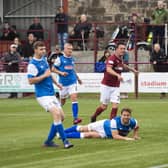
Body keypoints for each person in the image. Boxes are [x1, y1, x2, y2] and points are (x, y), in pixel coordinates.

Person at [27, 41, 73, 148]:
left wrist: (57, 84)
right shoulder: (32, 65)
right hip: (42, 95)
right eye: (41, 49)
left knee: (61, 117)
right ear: (35, 50)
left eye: (44, 49)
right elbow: (30, 81)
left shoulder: (43, 60)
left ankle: (48, 141)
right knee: (56, 114)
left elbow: (49, 74)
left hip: (51, 93)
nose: (43, 51)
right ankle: (65, 141)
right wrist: (44, 75)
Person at [90, 42, 138, 122]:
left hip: (115, 86)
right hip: (106, 86)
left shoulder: (120, 59)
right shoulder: (111, 58)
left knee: (115, 105)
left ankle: (112, 125)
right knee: (104, 107)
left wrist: (132, 70)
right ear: (116, 49)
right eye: (121, 49)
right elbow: (108, 69)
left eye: (124, 49)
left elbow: (123, 65)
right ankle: (94, 116)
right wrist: (117, 75)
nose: (123, 50)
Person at [52, 43, 82, 125]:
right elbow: (53, 69)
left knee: (74, 98)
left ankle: (75, 118)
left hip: (72, 82)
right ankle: (57, 111)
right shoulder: (59, 59)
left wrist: (78, 78)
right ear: (64, 49)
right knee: (62, 102)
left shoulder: (72, 59)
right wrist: (61, 73)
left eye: (71, 49)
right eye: (68, 49)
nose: (70, 50)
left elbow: (72, 70)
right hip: (63, 83)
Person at [64, 108, 140, 140]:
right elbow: (115, 136)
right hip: (102, 125)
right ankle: (63, 131)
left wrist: (135, 135)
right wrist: (127, 138)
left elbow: (136, 127)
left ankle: (62, 136)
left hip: (106, 134)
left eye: (128, 115)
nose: (126, 117)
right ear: (121, 115)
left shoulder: (134, 122)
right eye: (124, 115)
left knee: (88, 135)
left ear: (130, 116)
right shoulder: (115, 121)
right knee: (82, 129)